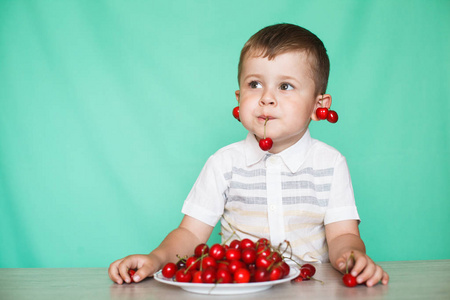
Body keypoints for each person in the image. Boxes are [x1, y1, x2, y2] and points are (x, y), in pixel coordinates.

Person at [108, 23, 389, 287]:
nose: (266, 97)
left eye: (285, 86)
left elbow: (343, 235)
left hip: (312, 290)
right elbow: (191, 234)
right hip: (243, 288)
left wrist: (352, 258)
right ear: (238, 99)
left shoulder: (330, 164)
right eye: (254, 84)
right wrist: (156, 258)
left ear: (319, 106)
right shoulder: (224, 163)